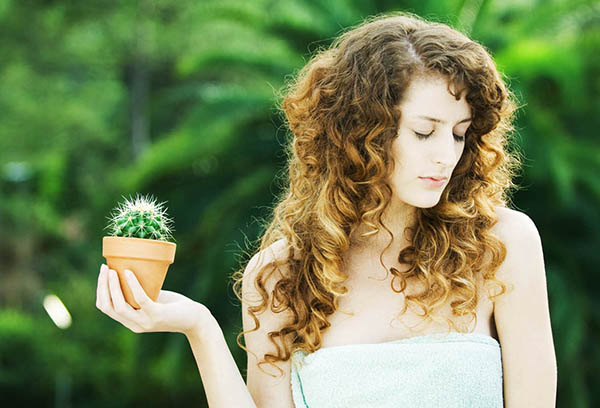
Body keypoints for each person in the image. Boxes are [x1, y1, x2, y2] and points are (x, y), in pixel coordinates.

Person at [95, 11, 557, 408]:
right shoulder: (281, 278)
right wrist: (198, 326)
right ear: (362, 133)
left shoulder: (501, 243)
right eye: (424, 131)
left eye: (458, 133)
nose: (446, 155)